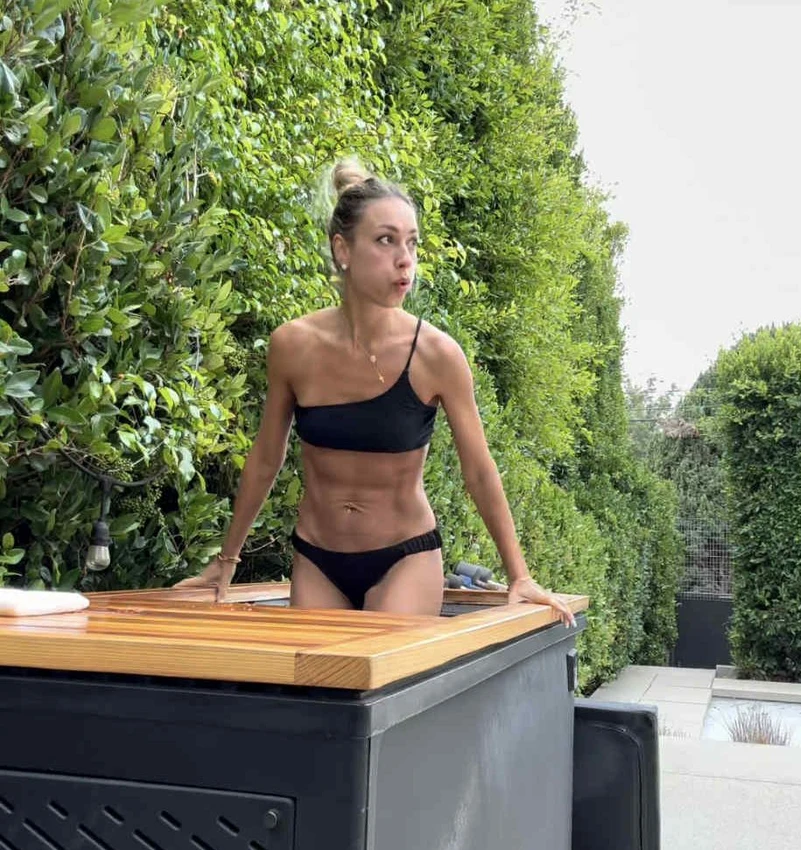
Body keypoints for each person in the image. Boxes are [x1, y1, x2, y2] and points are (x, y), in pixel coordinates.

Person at [175, 159, 576, 626]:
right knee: (319, 672)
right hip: (317, 557)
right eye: (386, 240)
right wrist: (226, 562)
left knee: (381, 668)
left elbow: (480, 471)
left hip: (403, 557)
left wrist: (519, 575)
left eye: (412, 243)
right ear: (342, 249)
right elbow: (266, 457)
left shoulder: (437, 355)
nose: (405, 260)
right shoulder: (293, 346)